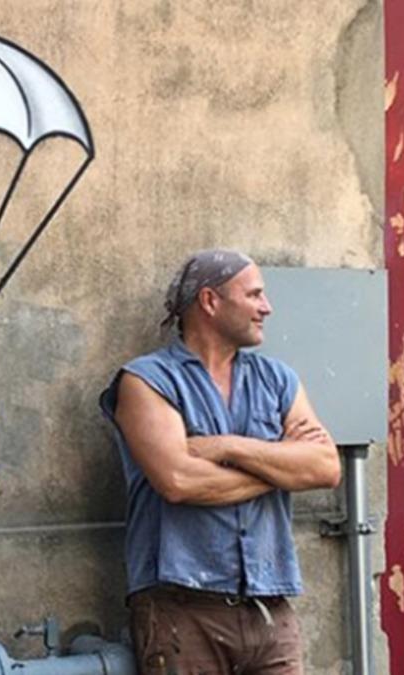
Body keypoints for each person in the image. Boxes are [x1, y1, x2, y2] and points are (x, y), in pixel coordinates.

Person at [99, 249, 340, 675]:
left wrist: (228, 447)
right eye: (254, 295)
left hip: (269, 610)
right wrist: (282, 469)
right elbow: (178, 480)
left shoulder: (276, 379)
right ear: (210, 301)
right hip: (182, 610)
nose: (267, 307)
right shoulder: (147, 380)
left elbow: (325, 467)